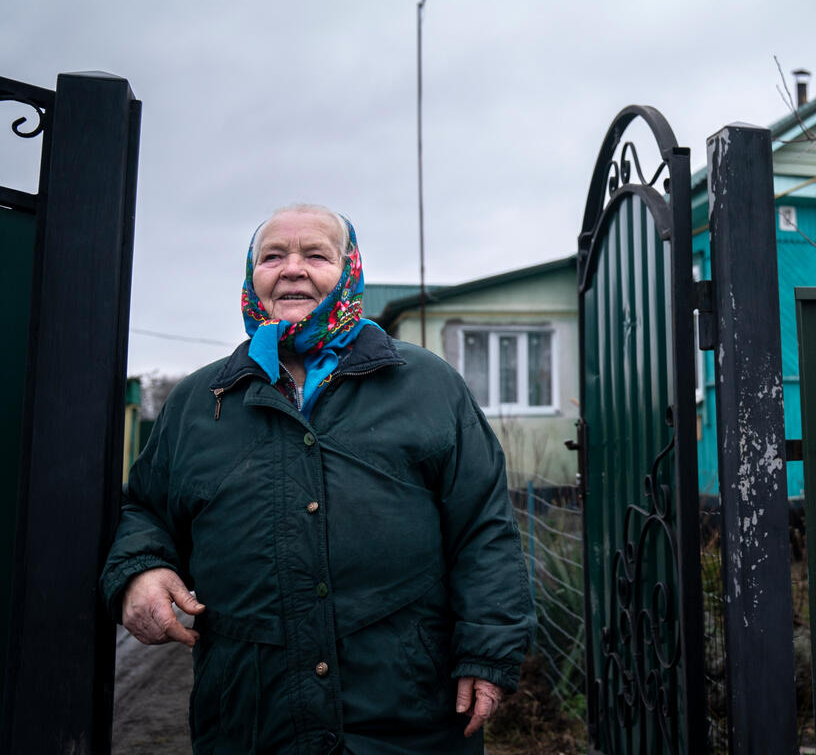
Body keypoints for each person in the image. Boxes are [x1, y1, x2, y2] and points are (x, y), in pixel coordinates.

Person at [101, 204, 534, 754]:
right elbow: (146, 510)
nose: (292, 268)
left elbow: (483, 528)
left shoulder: (427, 385)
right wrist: (141, 571)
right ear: (251, 275)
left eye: (315, 255)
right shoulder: (197, 401)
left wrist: (488, 652)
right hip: (251, 717)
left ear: (349, 269)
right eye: (272, 256)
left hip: (407, 712)